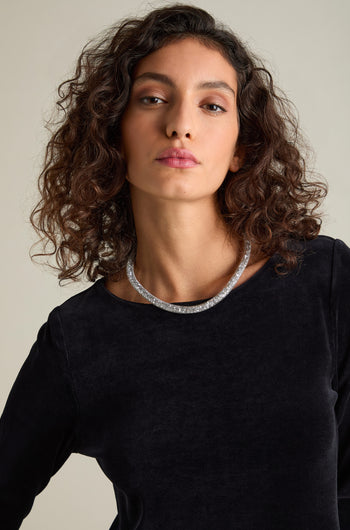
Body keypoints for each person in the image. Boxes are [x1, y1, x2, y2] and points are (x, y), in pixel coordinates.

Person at [0, 3, 349, 529]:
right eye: (154, 98)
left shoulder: (325, 281)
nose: (180, 124)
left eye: (212, 105)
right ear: (114, 132)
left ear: (241, 146)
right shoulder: (78, 339)